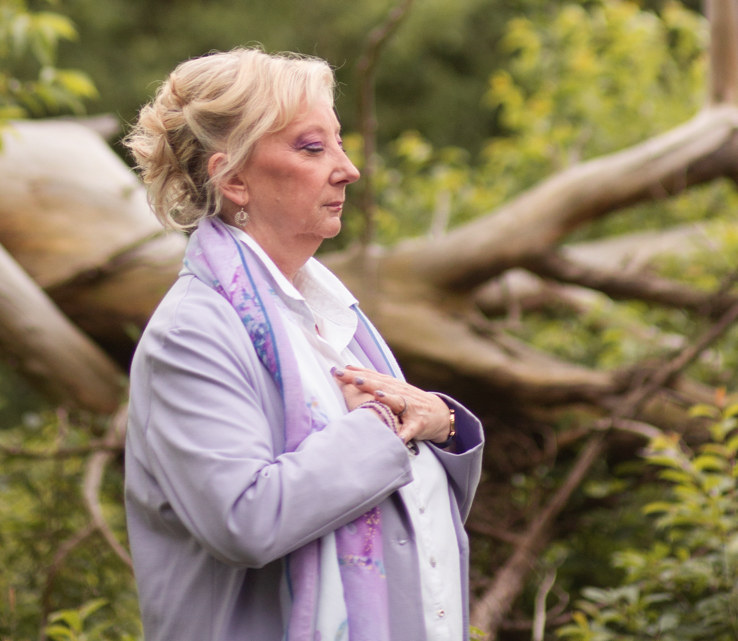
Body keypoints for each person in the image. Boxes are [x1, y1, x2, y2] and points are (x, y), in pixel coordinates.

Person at [123, 47, 484, 640]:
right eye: (313, 148)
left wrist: (442, 425)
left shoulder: (337, 321)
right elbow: (246, 520)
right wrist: (379, 424)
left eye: (338, 144)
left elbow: (402, 516)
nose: (348, 169)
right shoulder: (191, 335)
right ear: (233, 179)